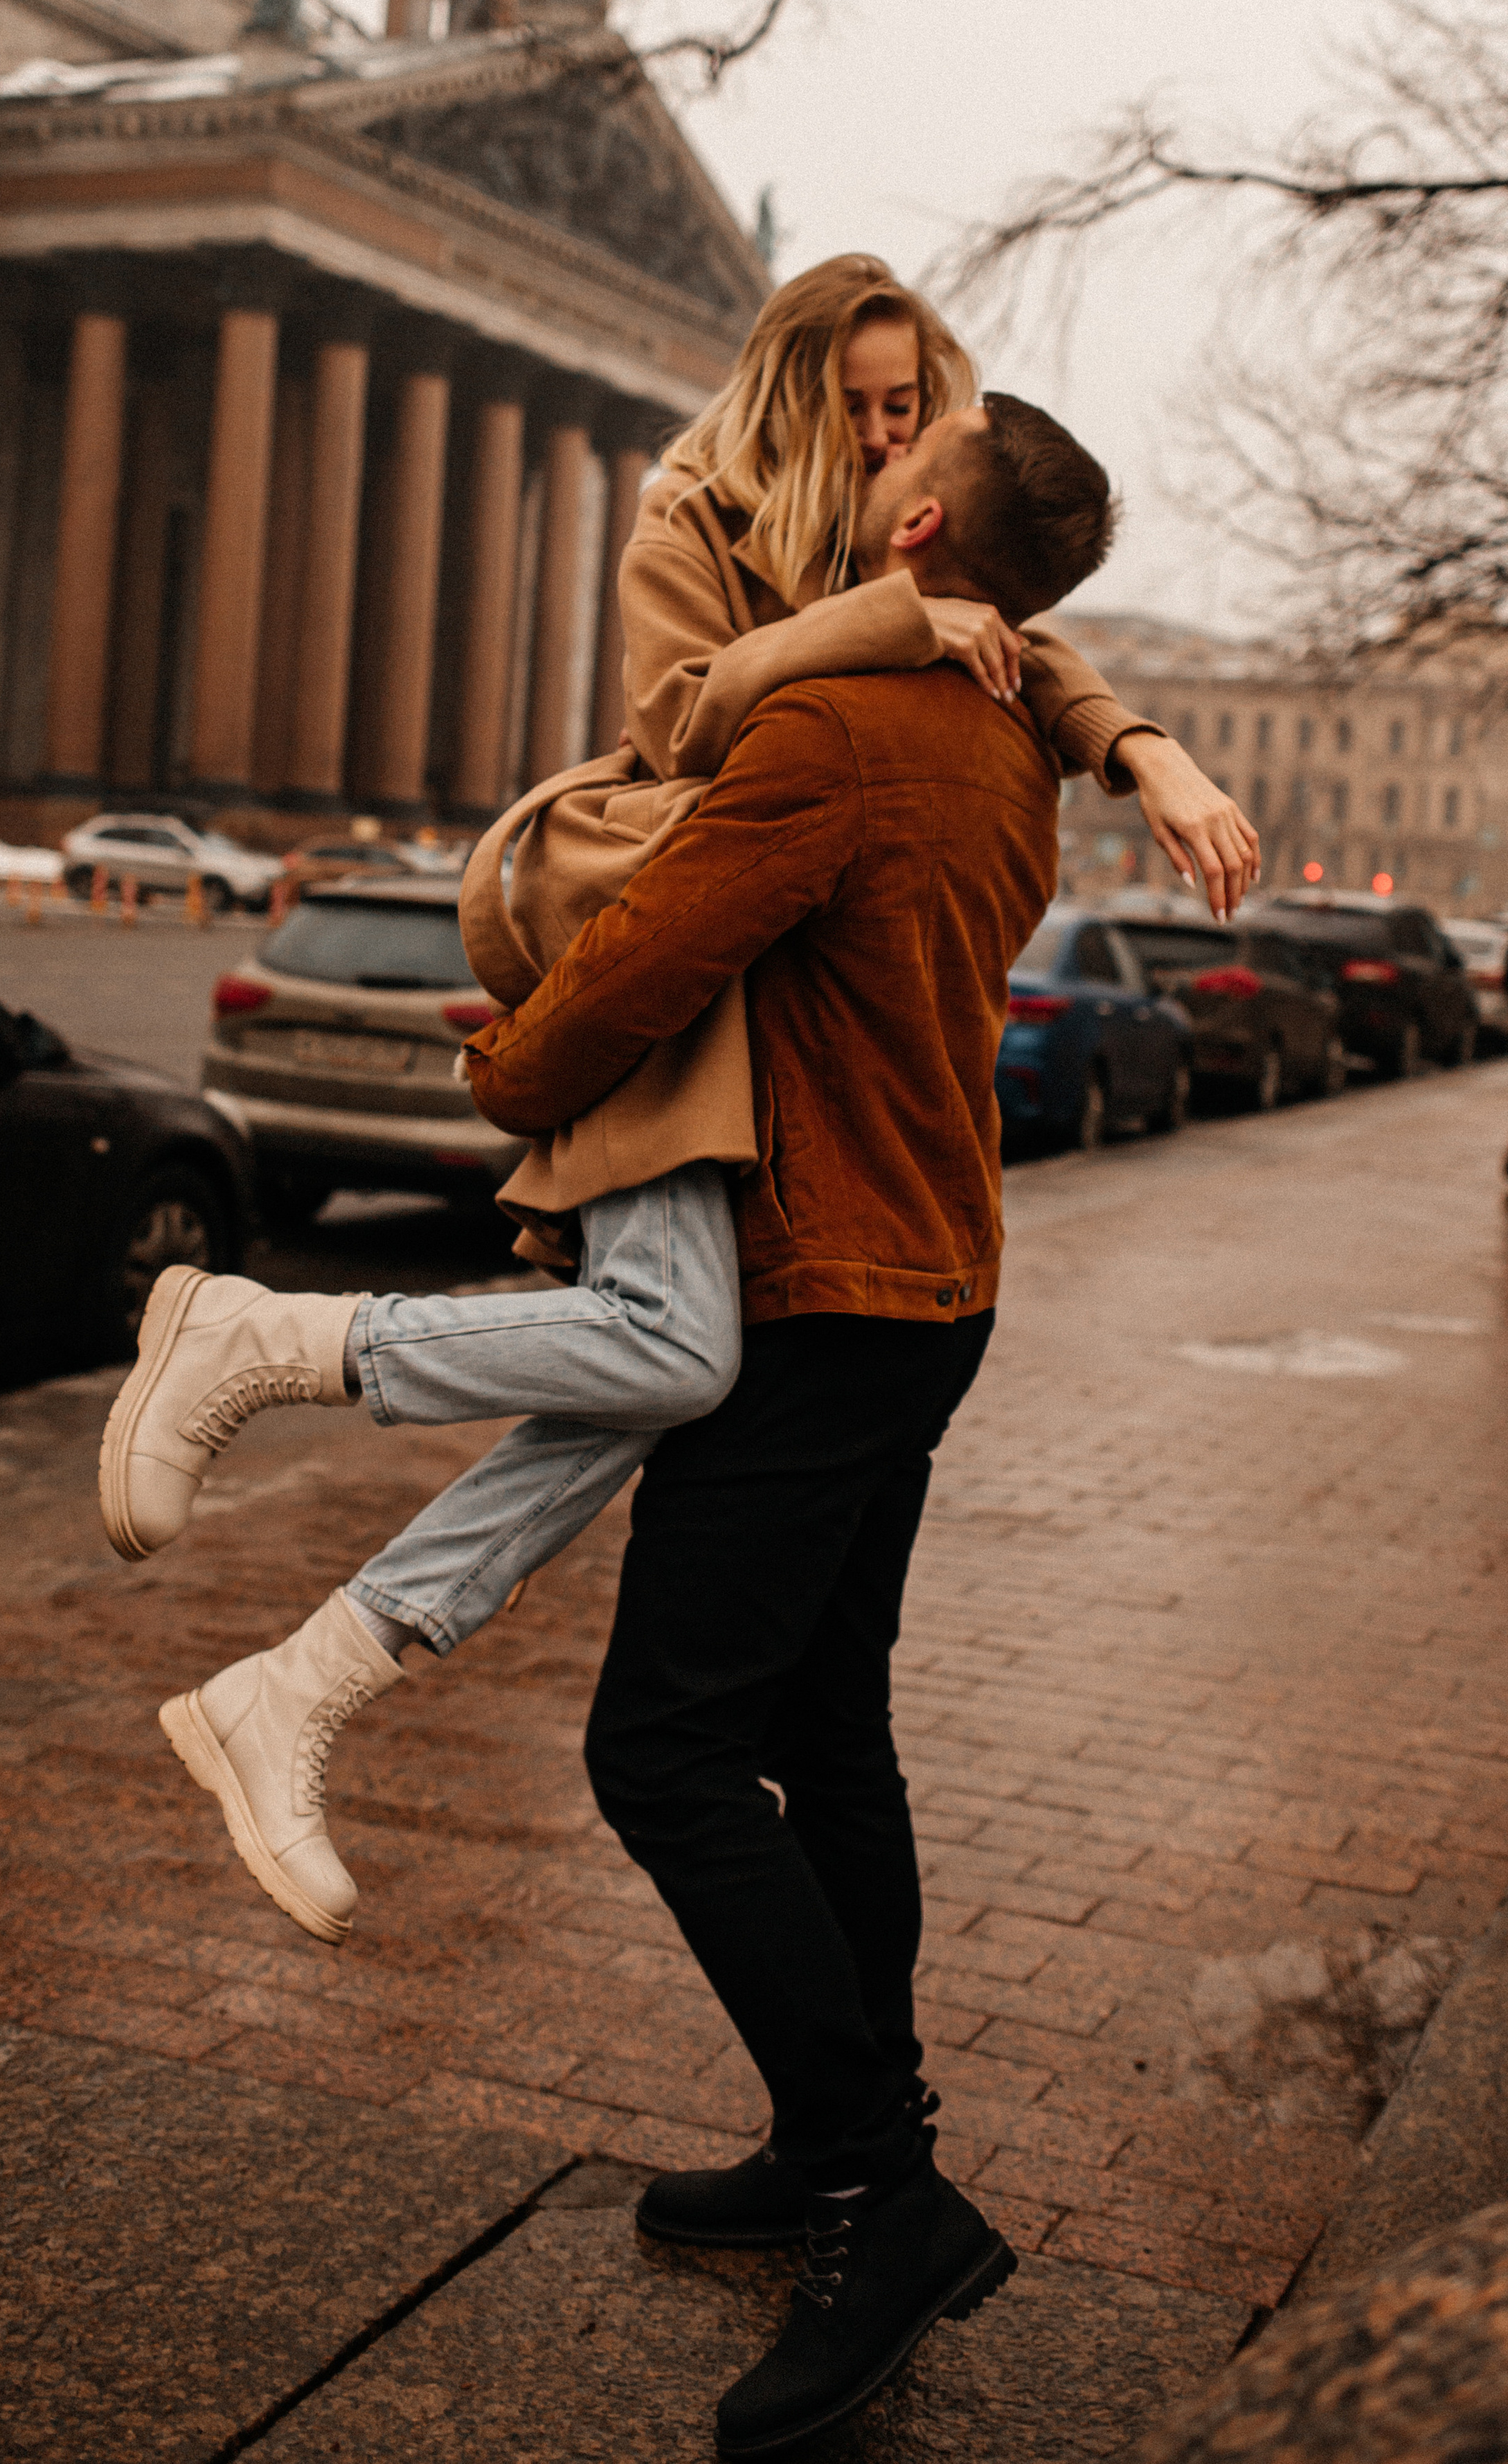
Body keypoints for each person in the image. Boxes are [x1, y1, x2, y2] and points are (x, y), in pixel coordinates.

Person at [103, 258, 1257, 1952]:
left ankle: (309, 1674)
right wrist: (888, 621)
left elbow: (1027, 639)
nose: (881, 430)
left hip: (750, 1036)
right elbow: (685, 726)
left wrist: (1146, 747)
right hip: (661, 978)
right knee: (672, 1354)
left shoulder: (908, 556)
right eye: (862, 403)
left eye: (905, 406)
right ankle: (277, 1351)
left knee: (649, 1385)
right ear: (800, 393)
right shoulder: (693, 524)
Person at [458, 395, 1106, 2458]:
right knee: (822, 1739)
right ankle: (851, 2141)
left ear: (916, 519)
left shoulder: (835, 734)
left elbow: (649, 958)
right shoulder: (1007, 737)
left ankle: (872, 2194)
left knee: (659, 1743)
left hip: (821, 1289)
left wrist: (507, 1068)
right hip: (932, 1280)